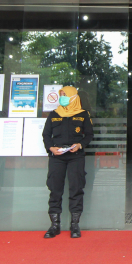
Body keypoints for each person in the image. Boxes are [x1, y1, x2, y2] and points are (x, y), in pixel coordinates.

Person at [42, 86, 94, 238]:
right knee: (55, 189)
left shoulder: (83, 114)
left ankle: (75, 226)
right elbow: (46, 135)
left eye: (65, 94)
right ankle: (54, 225)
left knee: (76, 188)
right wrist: (50, 148)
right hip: (57, 157)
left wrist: (80, 145)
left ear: (73, 97)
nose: (62, 97)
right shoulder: (54, 114)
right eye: (61, 95)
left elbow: (89, 135)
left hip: (75, 156)